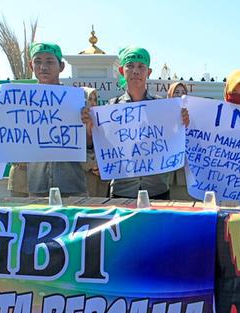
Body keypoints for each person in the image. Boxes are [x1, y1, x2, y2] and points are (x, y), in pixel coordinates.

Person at [82, 46, 189, 200]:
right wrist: (89, 131)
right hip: (122, 190)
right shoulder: (109, 110)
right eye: (130, 66)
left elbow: (174, 142)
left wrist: (183, 123)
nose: (135, 71)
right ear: (121, 71)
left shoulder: (164, 108)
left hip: (157, 189)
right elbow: (98, 146)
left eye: (141, 66)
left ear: (149, 72)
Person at [23, 43, 89, 198]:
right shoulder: (21, 101)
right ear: (31, 66)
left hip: (72, 187)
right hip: (37, 186)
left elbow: (90, 143)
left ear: (61, 66)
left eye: (50, 61)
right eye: (38, 61)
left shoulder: (78, 99)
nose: (43, 67)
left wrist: (88, 125)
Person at [83, 87, 110, 197]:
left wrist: (102, 163)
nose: (93, 103)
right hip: (84, 177)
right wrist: (91, 163)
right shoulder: (74, 122)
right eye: (89, 99)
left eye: (95, 100)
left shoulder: (101, 122)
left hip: (101, 177)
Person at [167, 81, 190, 200]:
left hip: (186, 178)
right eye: (176, 92)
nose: (180, 95)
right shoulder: (161, 116)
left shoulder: (192, 115)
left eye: (183, 93)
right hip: (167, 176)